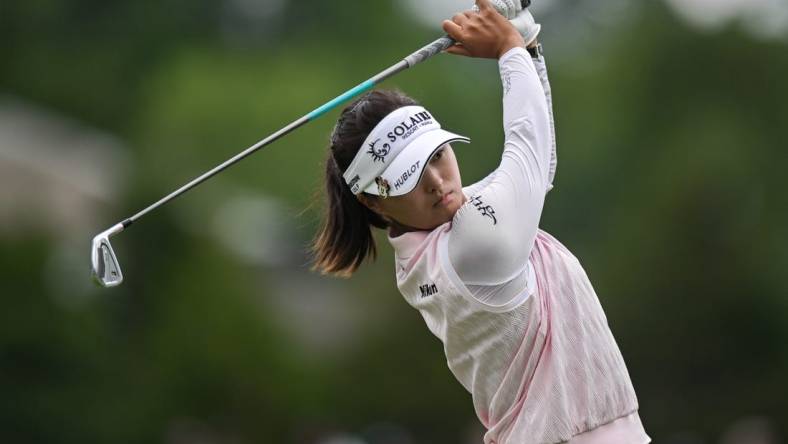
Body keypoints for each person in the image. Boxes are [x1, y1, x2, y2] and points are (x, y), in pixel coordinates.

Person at [311, 0, 651, 442]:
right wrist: (510, 49)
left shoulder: (436, 238)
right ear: (374, 202)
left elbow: (536, 167)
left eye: (437, 156)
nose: (436, 182)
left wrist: (526, 49)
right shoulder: (473, 246)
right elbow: (527, 151)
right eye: (409, 176)